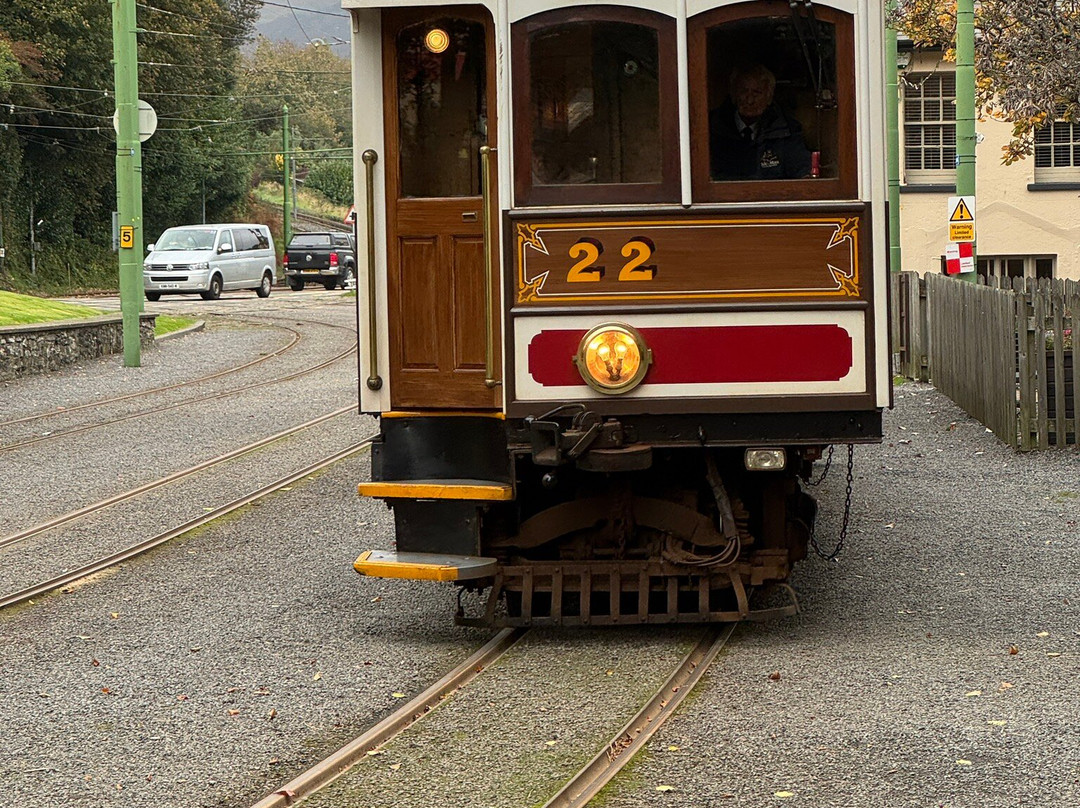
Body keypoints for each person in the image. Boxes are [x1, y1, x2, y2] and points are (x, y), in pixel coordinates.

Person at [709, 63, 812, 181]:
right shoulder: (711, 128)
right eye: (744, 91)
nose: (750, 100)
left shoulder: (786, 130)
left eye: (756, 93)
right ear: (734, 95)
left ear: (769, 98)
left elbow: (802, 170)